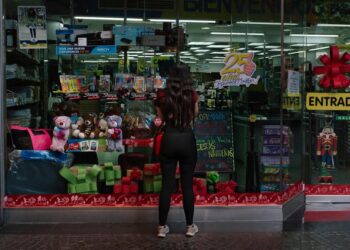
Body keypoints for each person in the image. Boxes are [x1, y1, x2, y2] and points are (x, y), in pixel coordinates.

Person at [154, 64, 199, 238]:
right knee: (187, 186)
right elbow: (194, 115)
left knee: (166, 186)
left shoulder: (162, 96)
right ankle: (189, 226)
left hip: (169, 139)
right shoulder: (192, 95)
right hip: (187, 139)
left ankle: (162, 227)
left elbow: (160, 118)